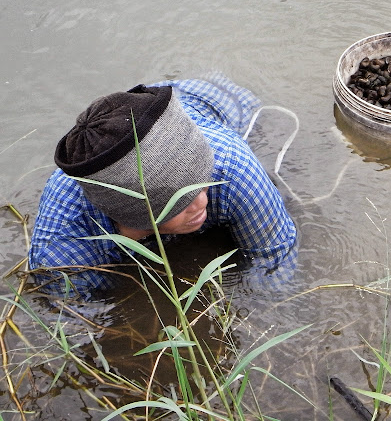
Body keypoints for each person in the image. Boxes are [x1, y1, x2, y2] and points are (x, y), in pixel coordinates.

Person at [28, 76, 297, 299]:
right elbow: (81, 319)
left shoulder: (229, 165)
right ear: (133, 213)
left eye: (202, 183)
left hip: (214, 101)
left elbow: (275, 260)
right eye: (182, 201)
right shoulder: (61, 252)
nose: (202, 202)